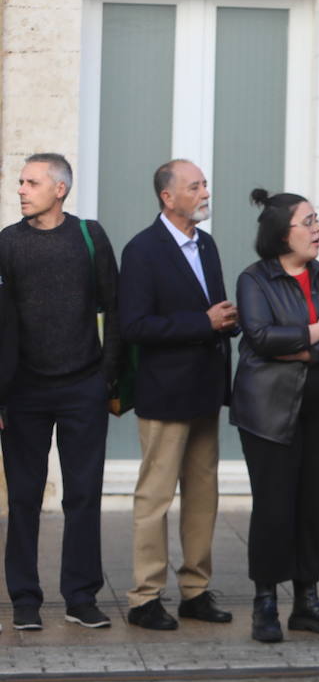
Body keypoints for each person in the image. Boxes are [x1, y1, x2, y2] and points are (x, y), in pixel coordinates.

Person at [233, 189, 319, 643]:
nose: (317, 229)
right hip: (267, 411)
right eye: (308, 222)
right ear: (280, 233)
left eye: (317, 220)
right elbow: (260, 336)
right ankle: (264, 602)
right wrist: (312, 333)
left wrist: (303, 351)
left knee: (314, 507)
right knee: (273, 507)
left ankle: (306, 600)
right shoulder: (255, 279)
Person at [0, 154, 121, 631]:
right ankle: (25, 599)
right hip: (24, 391)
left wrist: (106, 376)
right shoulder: (7, 242)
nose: (22, 190)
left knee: (84, 495)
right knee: (25, 497)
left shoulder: (90, 237)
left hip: (83, 387)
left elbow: (115, 307)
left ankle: (81, 596)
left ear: (60, 189)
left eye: (32, 182)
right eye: (22, 182)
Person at [118, 159, 236, 631]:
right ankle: (145, 597)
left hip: (205, 390)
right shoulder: (142, 250)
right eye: (195, 186)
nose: (205, 191)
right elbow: (134, 326)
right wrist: (202, 323)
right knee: (156, 497)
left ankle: (195, 591)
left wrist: (230, 319)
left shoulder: (206, 245)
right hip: (165, 394)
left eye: (205, 183)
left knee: (203, 495)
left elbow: (213, 310)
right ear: (168, 197)